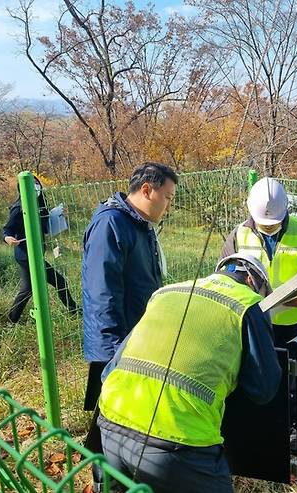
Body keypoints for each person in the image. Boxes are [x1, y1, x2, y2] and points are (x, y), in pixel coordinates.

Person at [97, 253, 282, 493]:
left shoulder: (167, 292)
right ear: (251, 281)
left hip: (110, 426)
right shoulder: (247, 303)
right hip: (176, 443)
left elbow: (110, 370)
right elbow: (264, 389)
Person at [81, 162, 178, 412]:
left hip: (137, 337)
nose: (169, 206)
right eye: (167, 197)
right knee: (112, 417)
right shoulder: (111, 224)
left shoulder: (139, 224)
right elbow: (102, 293)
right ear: (146, 190)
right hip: (117, 345)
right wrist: (114, 349)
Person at [220, 177, 297, 347]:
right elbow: (224, 277)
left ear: (284, 209)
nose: (268, 226)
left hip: (288, 327)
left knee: (286, 369)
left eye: (273, 222)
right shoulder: (239, 234)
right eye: (264, 222)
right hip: (250, 321)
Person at [3, 177, 78, 323]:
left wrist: (58, 216)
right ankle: (74, 311)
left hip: (37, 253)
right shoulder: (19, 208)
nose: (35, 188)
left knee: (28, 289)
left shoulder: (40, 204)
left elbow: (46, 228)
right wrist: (8, 238)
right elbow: (7, 229)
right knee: (59, 282)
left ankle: (12, 320)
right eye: (31, 186)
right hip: (25, 255)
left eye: (37, 184)